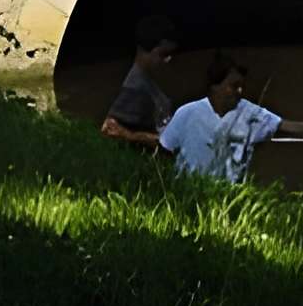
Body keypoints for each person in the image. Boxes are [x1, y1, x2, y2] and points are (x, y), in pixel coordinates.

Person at [160, 54, 284, 183]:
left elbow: (281, 125)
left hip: (228, 194)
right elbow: (165, 148)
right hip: (190, 190)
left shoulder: (248, 112)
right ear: (215, 86)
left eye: (241, 86)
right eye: (234, 86)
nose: (240, 91)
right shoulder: (187, 113)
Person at [99, 14, 180, 151]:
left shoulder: (151, 79)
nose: (168, 60)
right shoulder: (134, 90)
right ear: (145, 50)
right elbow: (112, 132)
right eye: (163, 54)